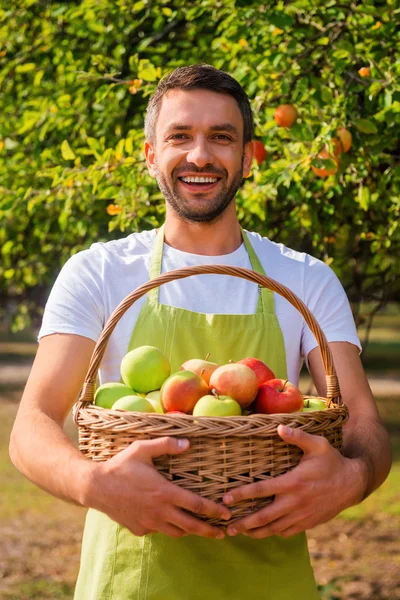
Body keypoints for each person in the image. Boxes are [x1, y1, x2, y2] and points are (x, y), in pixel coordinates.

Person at [10, 64, 391, 599]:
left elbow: (365, 426)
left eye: (221, 137)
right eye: (180, 136)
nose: (200, 155)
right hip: (131, 583)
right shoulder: (98, 272)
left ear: (247, 158)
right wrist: (93, 484)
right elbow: (31, 427)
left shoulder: (305, 279)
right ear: (150, 156)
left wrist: (351, 480)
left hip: (272, 583)